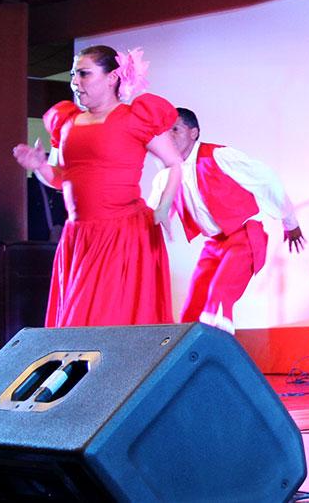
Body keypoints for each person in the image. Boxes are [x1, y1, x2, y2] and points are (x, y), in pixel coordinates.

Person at [13, 45, 184, 327]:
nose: (75, 82)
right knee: (77, 324)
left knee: (101, 320)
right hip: (79, 236)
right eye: (73, 75)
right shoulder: (67, 121)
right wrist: (40, 167)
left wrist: (164, 206)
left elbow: (174, 162)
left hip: (121, 234)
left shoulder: (134, 118)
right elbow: (62, 178)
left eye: (84, 74)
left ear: (112, 77)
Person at [149, 108, 305, 333]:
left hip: (244, 237)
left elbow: (266, 179)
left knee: (218, 300)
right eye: (166, 131)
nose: (169, 136)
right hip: (214, 245)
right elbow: (151, 213)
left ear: (194, 133)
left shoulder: (219, 156)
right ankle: (192, 364)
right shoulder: (167, 174)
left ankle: (220, 362)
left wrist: (290, 223)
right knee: (191, 312)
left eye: (176, 129)